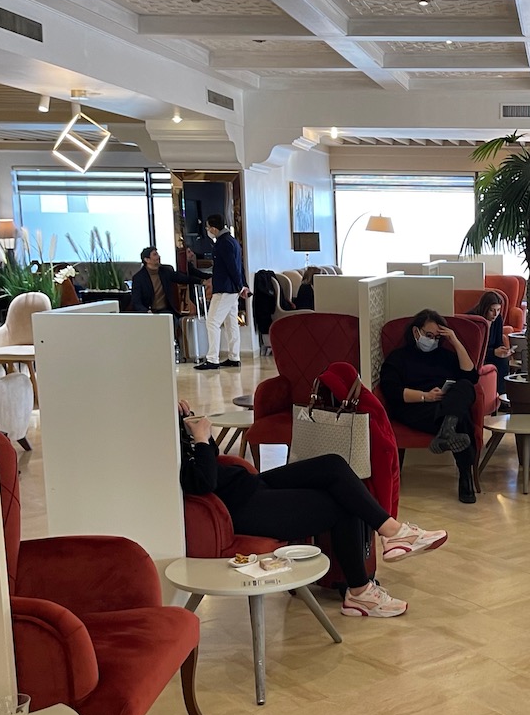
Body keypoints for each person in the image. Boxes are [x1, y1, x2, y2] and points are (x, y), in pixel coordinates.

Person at [178, 400, 446, 617]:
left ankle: (392, 532)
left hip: (248, 486)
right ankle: (360, 591)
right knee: (343, 502)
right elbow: (203, 481)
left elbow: (208, 461)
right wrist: (200, 438)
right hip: (239, 508)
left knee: (333, 464)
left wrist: (191, 428)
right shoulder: (160, 450)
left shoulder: (170, 433)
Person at [380, 309, 479, 505]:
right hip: (415, 407)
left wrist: (455, 341)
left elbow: (471, 377)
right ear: (416, 332)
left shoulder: (445, 355)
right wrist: (426, 396)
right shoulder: (398, 357)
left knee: (465, 387)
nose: (432, 340)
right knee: (462, 419)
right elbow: (391, 391)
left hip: (445, 405)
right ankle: (465, 477)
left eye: (436, 337)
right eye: (428, 335)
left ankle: (448, 429)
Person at [198, 214, 247, 371]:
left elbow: (232, 267)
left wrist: (240, 286)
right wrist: (242, 285)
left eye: (207, 228)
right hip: (232, 289)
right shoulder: (232, 241)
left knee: (212, 322)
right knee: (231, 323)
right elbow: (239, 266)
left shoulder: (222, 243)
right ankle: (234, 357)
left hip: (225, 289)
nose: (207, 231)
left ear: (213, 228)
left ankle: (212, 359)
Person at [130, 246, 202, 320]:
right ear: (147, 259)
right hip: (149, 312)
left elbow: (182, 278)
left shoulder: (165, 271)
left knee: (174, 322)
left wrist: (201, 281)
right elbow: (136, 301)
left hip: (165, 311)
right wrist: (146, 311)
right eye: (155, 255)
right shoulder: (138, 278)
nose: (158, 256)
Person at [466, 290, 512, 403]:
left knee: (503, 360)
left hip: (490, 352)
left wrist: (503, 351)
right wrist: (493, 352)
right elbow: (473, 349)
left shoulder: (498, 319)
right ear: (485, 308)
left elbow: (498, 343)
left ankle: (501, 396)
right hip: (475, 356)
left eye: (498, 310)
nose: (495, 314)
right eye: (492, 310)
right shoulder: (473, 319)